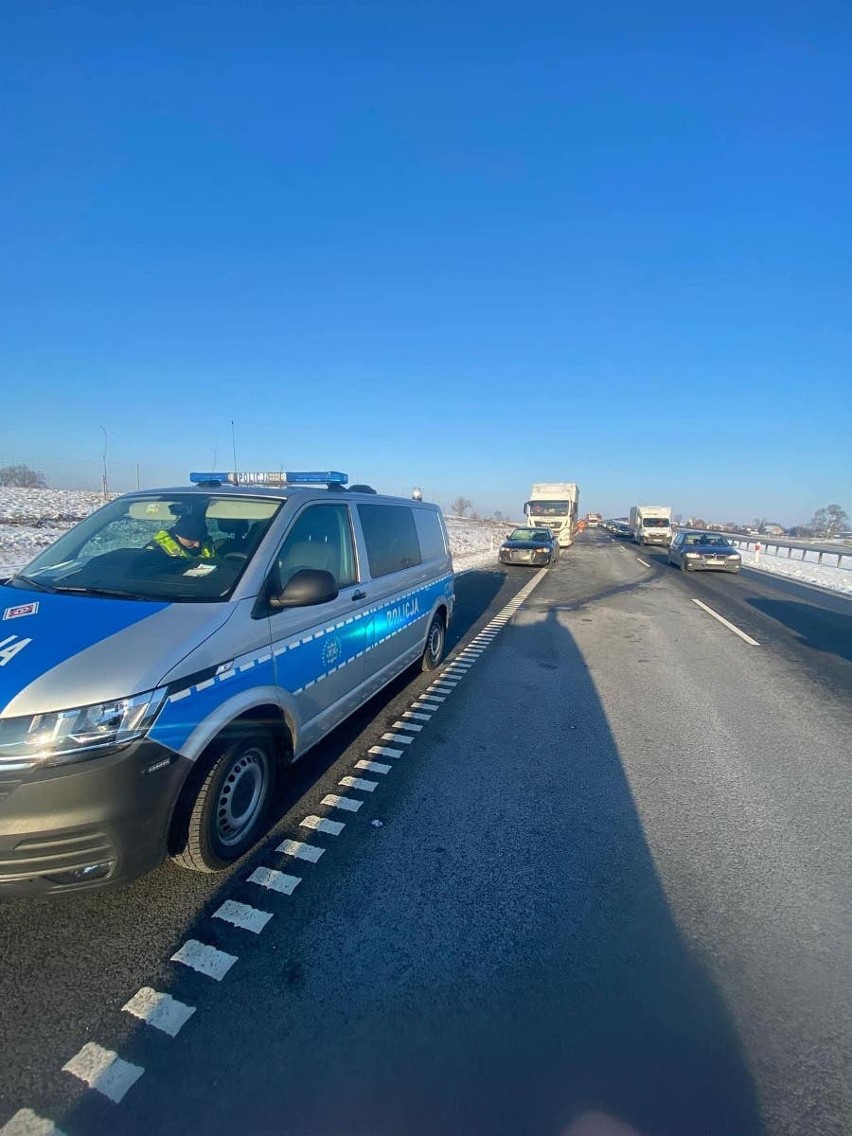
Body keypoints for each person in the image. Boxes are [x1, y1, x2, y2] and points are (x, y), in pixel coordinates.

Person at [147, 514, 217, 560]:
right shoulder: (156, 549)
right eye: (192, 540)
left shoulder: (207, 543)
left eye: (200, 539)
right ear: (178, 535)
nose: (197, 544)